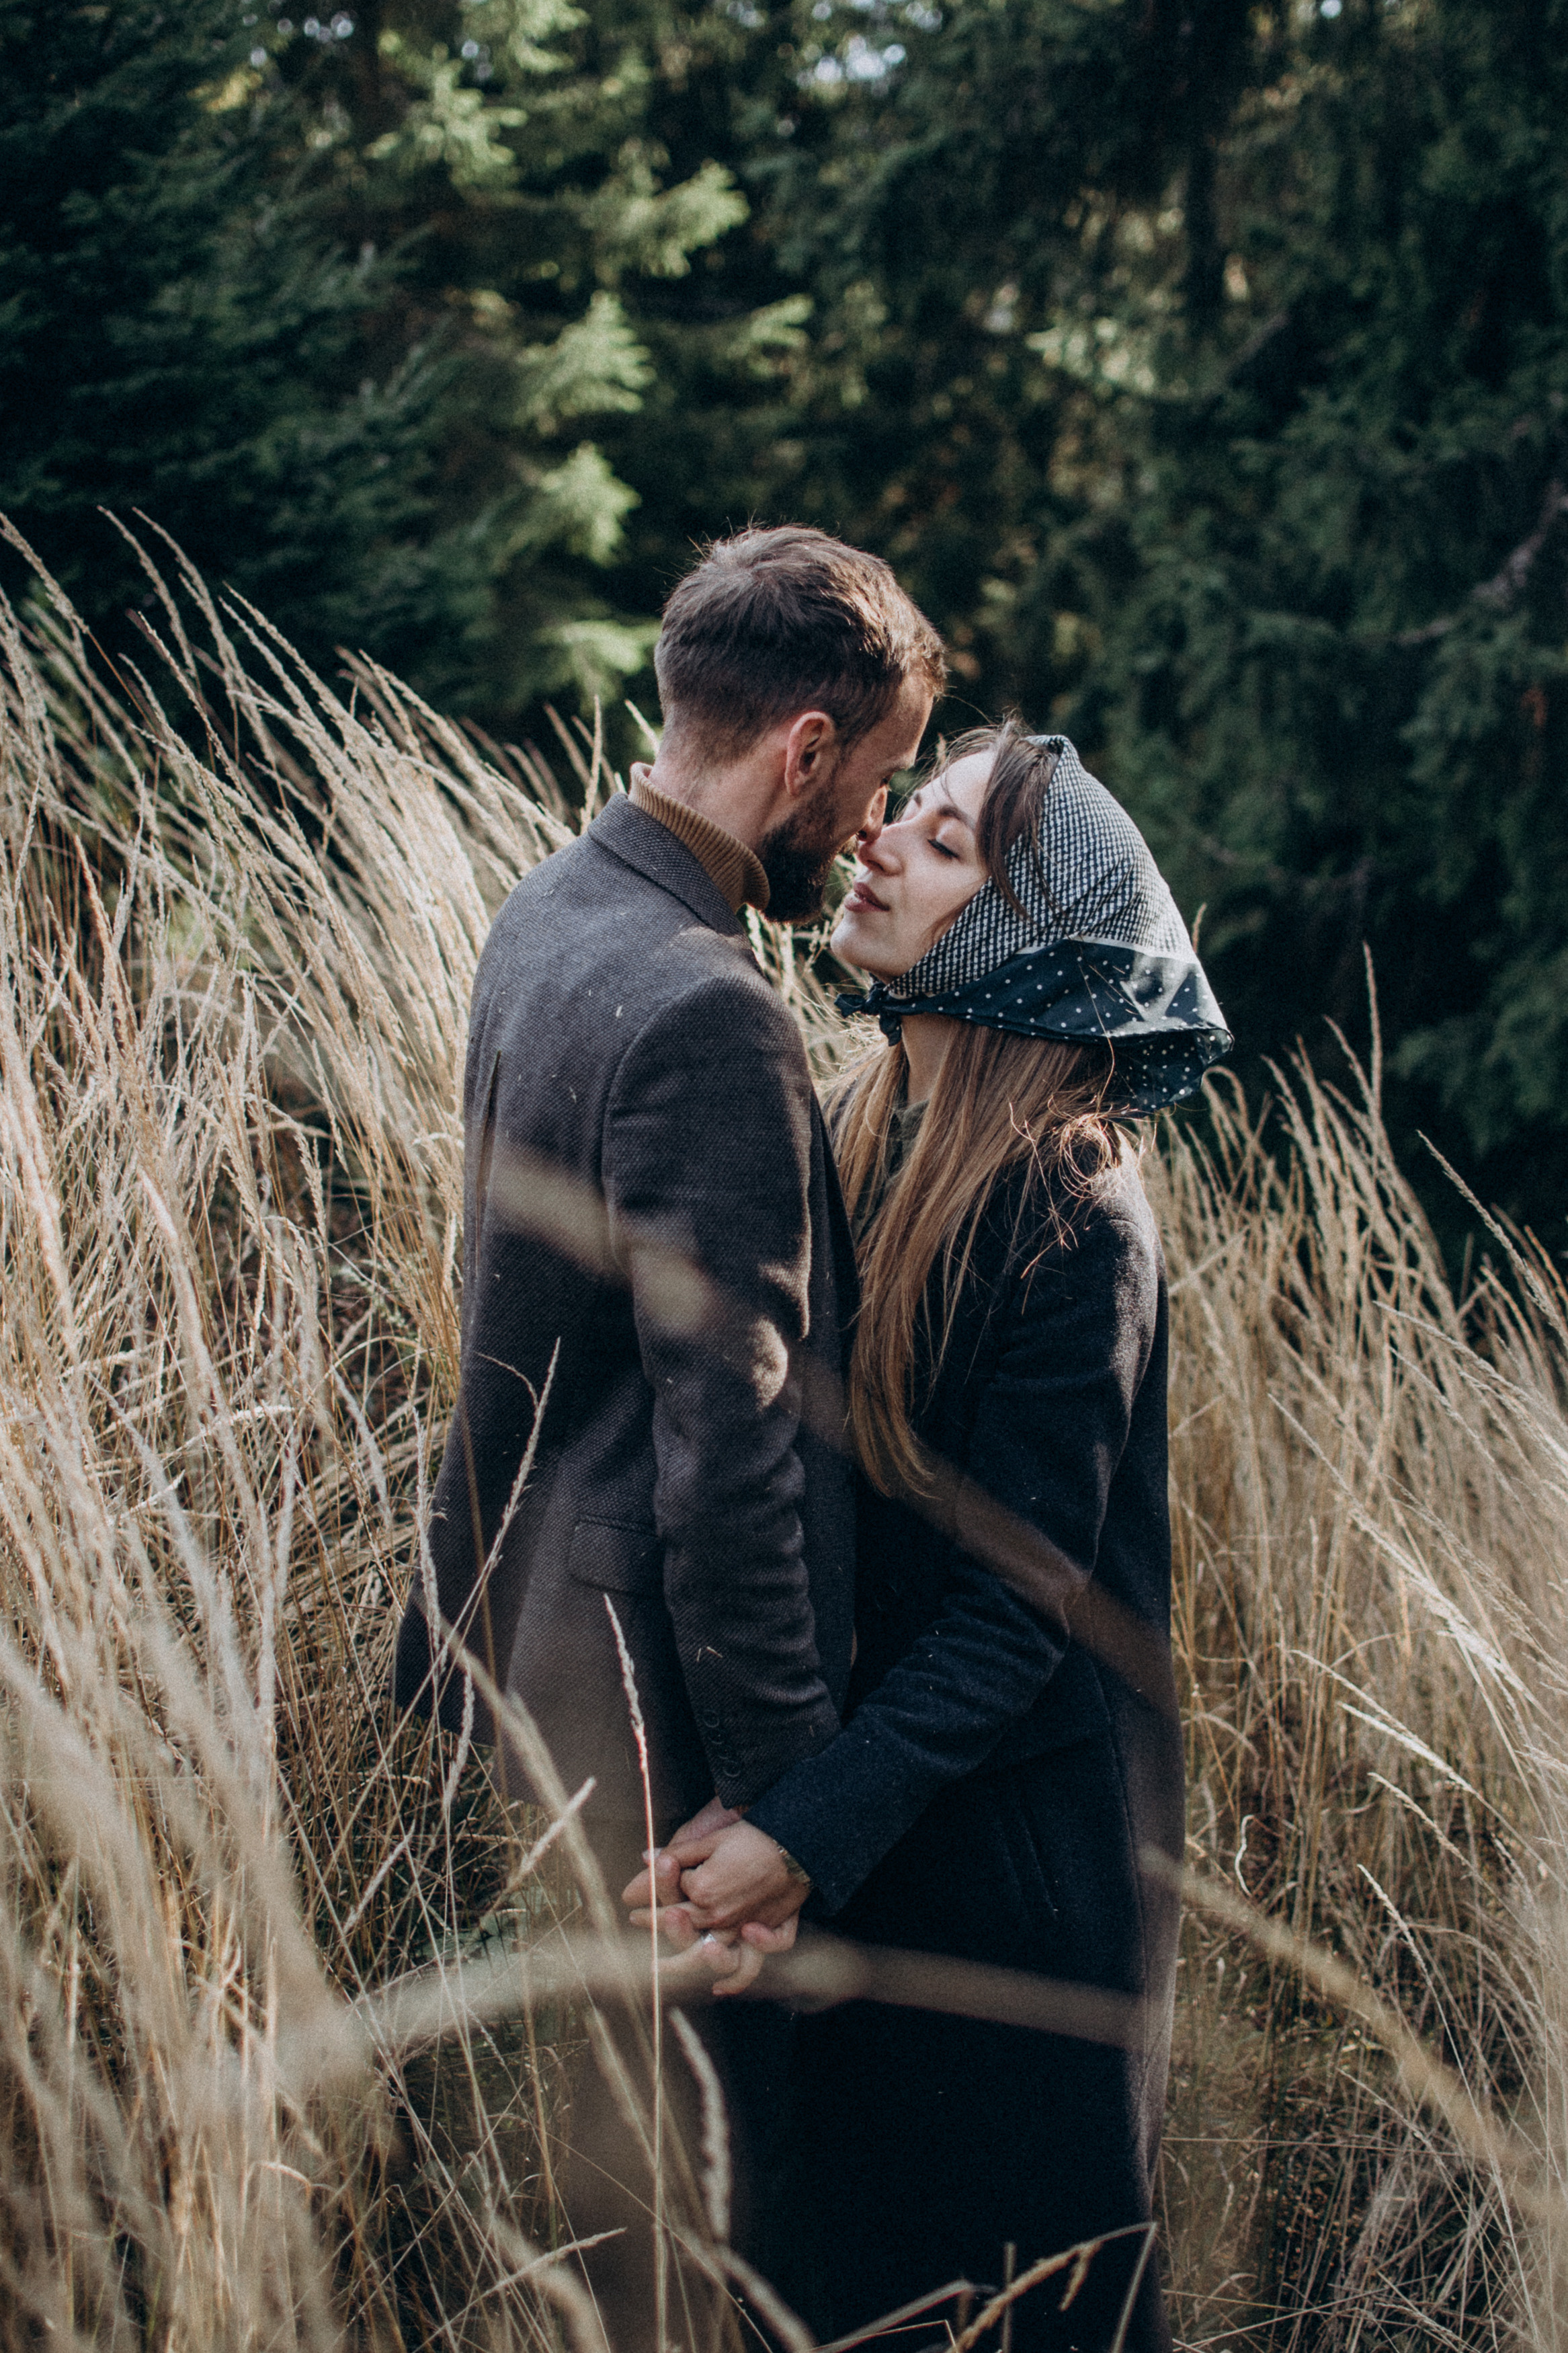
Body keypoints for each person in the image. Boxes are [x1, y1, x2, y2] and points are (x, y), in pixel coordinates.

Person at [391, 525, 942, 2347]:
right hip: (659, 1736)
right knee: (693, 2247)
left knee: (593, 2216)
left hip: (533, 1652)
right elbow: (733, 1456)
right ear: (797, 746)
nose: (862, 830)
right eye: (865, 783)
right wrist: (785, 1799)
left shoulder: (549, 910)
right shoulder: (716, 1013)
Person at [626, 723, 1231, 2353]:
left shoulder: (1074, 1209)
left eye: (946, 841)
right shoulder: (854, 1119)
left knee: (1009, 2306)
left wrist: (799, 1837)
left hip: (1010, 1878)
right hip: (876, 1827)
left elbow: (1011, 1617)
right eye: (912, 813)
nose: (880, 839)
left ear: (1025, 929)